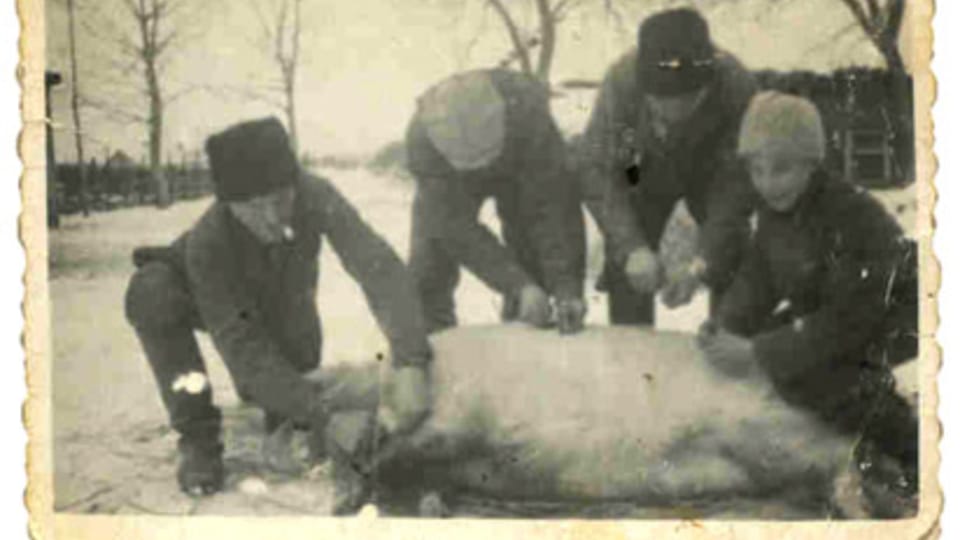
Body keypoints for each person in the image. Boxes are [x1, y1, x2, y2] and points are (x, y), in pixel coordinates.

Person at [124, 118, 433, 496]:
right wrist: (325, 416)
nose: (272, 218)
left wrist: (412, 359)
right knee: (149, 292)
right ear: (229, 205)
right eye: (255, 207)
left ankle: (283, 406)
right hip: (201, 296)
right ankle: (197, 438)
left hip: (275, 296)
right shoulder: (208, 242)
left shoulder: (316, 194)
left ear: (294, 186)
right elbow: (239, 343)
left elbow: (378, 267)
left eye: (281, 201)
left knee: (289, 399)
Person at [698, 92, 918, 515]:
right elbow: (756, 279)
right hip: (829, 311)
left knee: (815, 373)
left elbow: (846, 321)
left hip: (891, 315)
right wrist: (727, 325)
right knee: (782, 353)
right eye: (756, 170)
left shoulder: (848, 215)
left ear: (811, 163)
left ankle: (904, 444)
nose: (767, 182)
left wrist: (758, 351)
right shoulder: (777, 213)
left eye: (780, 168)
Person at [579, 8, 758, 325]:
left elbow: (734, 190)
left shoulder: (737, 87)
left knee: (731, 254)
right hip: (640, 169)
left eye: (686, 102)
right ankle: (631, 359)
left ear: (706, 87)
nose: (672, 114)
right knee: (627, 261)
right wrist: (632, 247)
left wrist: (703, 263)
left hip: (711, 171)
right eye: (660, 103)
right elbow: (600, 172)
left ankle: (728, 344)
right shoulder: (621, 82)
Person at [406, 68, 587, 335]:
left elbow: (553, 207)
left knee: (532, 251)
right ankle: (429, 343)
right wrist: (516, 283)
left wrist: (566, 287)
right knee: (430, 261)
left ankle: (527, 328)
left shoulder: (527, 111)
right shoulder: (423, 140)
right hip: (452, 180)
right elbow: (454, 228)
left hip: (518, 166)